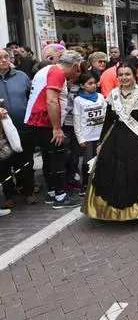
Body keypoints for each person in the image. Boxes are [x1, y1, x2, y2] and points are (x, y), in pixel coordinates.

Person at [82, 63, 138, 220]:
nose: (124, 78)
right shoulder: (113, 94)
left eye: (128, 74)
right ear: (117, 77)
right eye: (121, 75)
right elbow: (108, 120)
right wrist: (100, 143)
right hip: (116, 137)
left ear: (134, 76)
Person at [25, 49, 83, 209]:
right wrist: (56, 128)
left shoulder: (47, 69)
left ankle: (52, 193)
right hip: (45, 122)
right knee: (57, 158)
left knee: (49, 158)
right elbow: (51, 101)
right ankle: (60, 196)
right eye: (78, 68)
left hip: (37, 121)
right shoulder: (56, 72)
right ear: (74, 65)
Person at [0, 48, 35, 207]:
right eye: (0, 58)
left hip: (23, 127)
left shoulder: (21, 76)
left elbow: (31, 99)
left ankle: (29, 190)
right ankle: (9, 194)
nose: (4, 60)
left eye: (6, 57)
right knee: (4, 164)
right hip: (1, 133)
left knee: (26, 161)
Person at [73, 73, 106, 196]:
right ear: (82, 85)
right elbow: (77, 120)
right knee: (87, 161)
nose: (93, 86)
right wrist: (80, 138)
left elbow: (106, 113)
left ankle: (100, 182)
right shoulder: (78, 100)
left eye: (95, 83)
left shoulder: (100, 97)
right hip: (87, 136)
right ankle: (86, 184)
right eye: (90, 83)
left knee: (100, 159)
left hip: (100, 135)